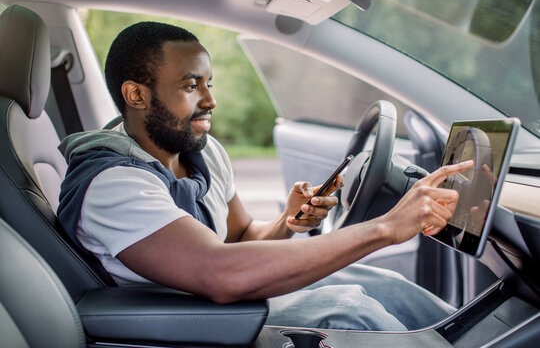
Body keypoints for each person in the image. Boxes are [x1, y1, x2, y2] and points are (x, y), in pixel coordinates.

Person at [57, 22, 473, 331]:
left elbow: (238, 241)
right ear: (137, 95)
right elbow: (221, 272)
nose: (210, 99)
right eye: (191, 85)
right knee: (351, 310)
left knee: (388, 285)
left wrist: (287, 223)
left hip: (222, 299)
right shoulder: (111, 183)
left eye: (209, 83)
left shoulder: (201, 151)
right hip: (190, 325)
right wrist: (385, 228)